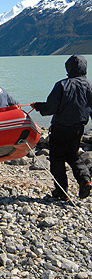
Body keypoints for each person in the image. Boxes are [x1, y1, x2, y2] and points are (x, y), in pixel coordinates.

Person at [31, 55, 92, 200]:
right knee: (72, 155)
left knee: (57, 158)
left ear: (68, 68)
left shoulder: (62, 85)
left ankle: (62, 192)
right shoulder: (89, 85)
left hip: (60, 128)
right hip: (79, 128)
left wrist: (38, 106)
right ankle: (85, 181)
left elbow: (50, 109)